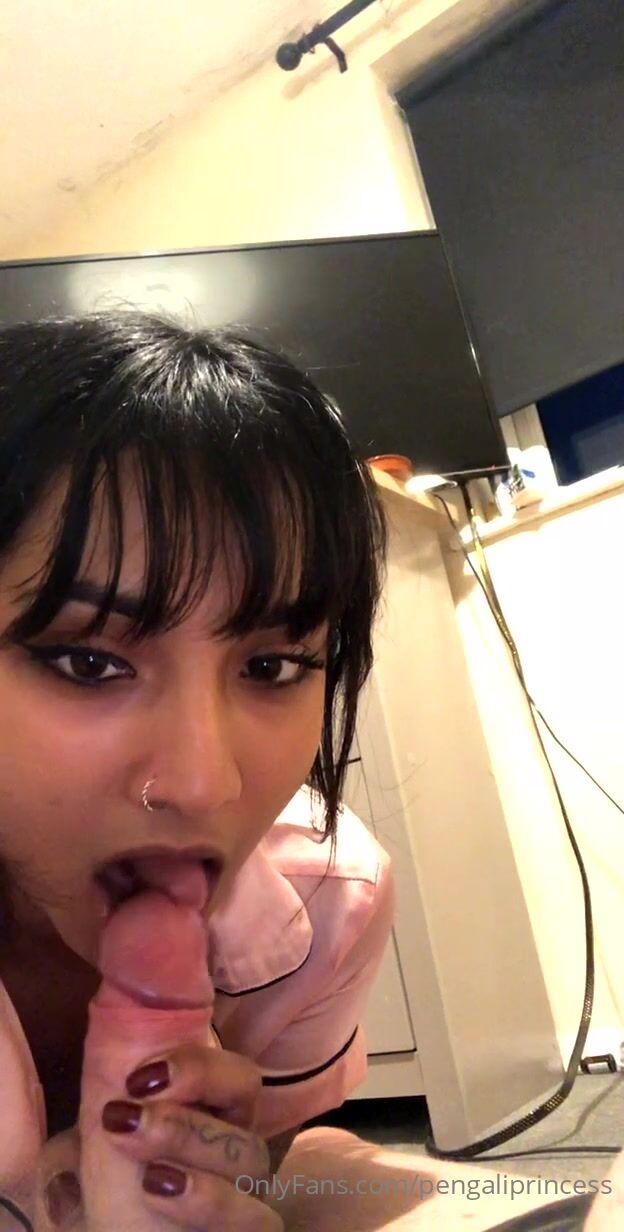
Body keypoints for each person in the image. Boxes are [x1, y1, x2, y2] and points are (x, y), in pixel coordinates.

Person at [0, 310, 394, 1230]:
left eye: (273, 666)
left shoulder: (326, 901)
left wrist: (230, 1183)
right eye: (88, 662)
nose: (204, 783)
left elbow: (280, 1161)